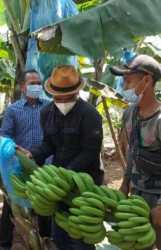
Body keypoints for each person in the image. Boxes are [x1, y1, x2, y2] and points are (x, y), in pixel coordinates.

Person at [17, 65, 104, 250]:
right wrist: (33, 152)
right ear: (52, 95)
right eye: (58, 98)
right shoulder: (46, 112)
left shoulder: (89, 115)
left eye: (68, 98)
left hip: (85, 181)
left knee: (82, 234)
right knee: (60, 231)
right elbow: (49, 143)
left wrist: (66, 175)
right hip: (59, 180)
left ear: (76, 93)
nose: (63, 102)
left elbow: (90, 151)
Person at [110, 54, 161, 249]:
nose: (124, 88)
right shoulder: (130, 113)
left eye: (128, 81)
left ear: (146, 81)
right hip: (138, 192)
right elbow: (133, 150)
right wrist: (125, 183)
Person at [0, 70, 51, 250]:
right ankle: (5, 244)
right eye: (32, 83)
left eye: (38, 83)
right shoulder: (13, 109)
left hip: (46, 162)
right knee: (11, 204)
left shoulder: (49, 107)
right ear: (22, 87)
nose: (36, 86)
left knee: (45, 206)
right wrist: (13, 149)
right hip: (20, 164)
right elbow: (5, 135)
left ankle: (46, 241)